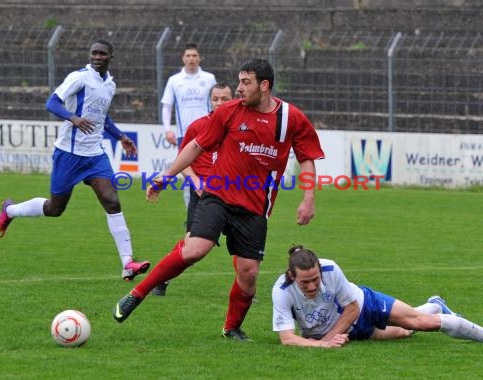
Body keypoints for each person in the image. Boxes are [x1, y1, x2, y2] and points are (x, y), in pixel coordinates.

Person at [113, 58, 325, 342]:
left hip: (254, 210)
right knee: (194, 249)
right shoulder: (228, 112)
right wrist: (166, 176)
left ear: (264, 86)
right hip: (218, 196)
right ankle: (137, 294)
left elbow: (307, 157)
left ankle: (231, 328)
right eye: (238, 81)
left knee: (248, 277)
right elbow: (195, 147)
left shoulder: (291, 118)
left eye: (245, 82)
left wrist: (308, 197)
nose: (239, 88)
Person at [0, 39, 150, 281]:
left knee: (112, 201)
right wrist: (73, 118)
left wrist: (120, 137)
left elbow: (102, 117)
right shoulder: (78, 78)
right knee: (55, 208)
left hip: (95, 155)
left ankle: (128, 263)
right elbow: (51, 102)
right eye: (93, 53)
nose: (97, 57)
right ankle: (10, 210)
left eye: (102, 54)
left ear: (111, 57)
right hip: (69, 153)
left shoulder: (110, 84)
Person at [272, 245, 483, 348]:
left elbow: (353, 308)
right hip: (348, 330)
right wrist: (323, 342)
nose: (313, 285)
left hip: (365, 306)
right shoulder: (282, 291)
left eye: (315, 279)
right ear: (292, 276)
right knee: (405, 332)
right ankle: (434, 305)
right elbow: (287, 339)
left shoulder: (330, 268)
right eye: (306, 282)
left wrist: (326, 340)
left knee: (424, 324)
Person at [151, 82, 234, 296]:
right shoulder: (198, 126)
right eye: (215, 98)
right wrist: (196, 181)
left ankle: (244, 292)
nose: (219, 103)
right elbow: (183, 160)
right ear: (209, 100)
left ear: (233, 100)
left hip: (234, 194)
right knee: (191, 247)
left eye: (224, 99)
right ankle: (161, 278)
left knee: (244, 249)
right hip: (204, 196)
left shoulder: (241, 127)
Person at [161, 42, 216, 208]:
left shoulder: (209, 78)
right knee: (187, 173)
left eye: (194, 56)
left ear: (199, 58)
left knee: (210, 171)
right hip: (184, 134)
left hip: (209, 133)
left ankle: (212, 208)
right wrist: (167, 129)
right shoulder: (175, 80)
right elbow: (167, 106)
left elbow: (218, 102)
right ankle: (191, 214)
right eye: (188, 56)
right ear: (183, 58)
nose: (191, 59)